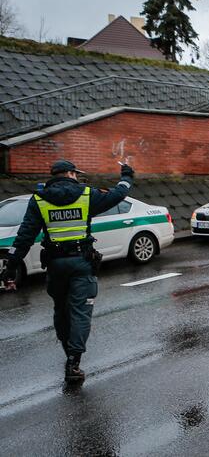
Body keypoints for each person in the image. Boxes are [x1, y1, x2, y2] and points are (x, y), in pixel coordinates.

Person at [1, 160, 134, 383]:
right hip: (82, 263)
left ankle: (67, 352)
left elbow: (24, 236)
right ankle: (74, 362)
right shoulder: (87, 195)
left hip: (56, 265)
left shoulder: (39, 199)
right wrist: (127, 175)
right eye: (76, 174)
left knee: (61, 311)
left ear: (53, 175)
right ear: (71, 174)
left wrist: (10, 268)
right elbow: (119, 194)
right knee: (81, 312)